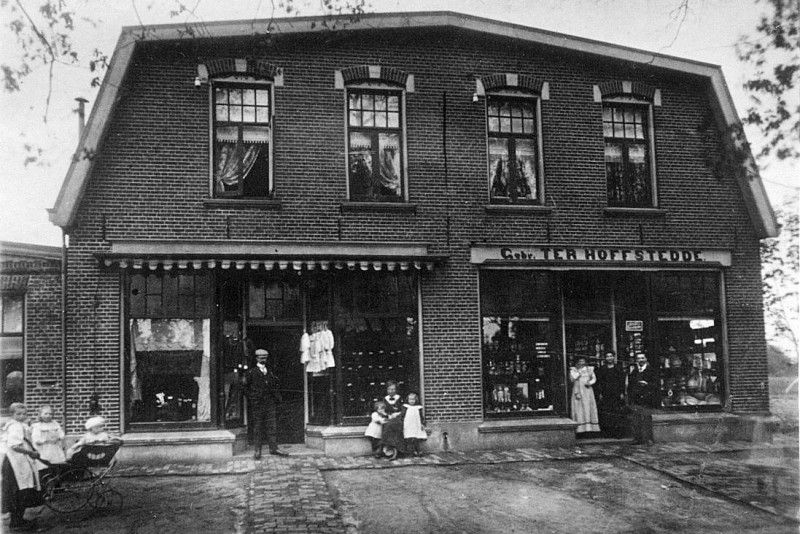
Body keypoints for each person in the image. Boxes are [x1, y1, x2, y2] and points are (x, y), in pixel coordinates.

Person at [1, 403, 44, 531]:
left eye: (24, 413)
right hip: (16, 462)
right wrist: (31, 453)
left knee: (21, 490)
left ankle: (18, 519)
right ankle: (16, 522)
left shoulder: (19, 425)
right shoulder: (15, 427)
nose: (22, 416)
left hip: (20, 461)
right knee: (18, 491)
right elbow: (15, 445)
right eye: (18, 414)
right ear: (12, 415)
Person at [245, 348, 288, 459]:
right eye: (261, 357)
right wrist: (253, 398)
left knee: (272, 426)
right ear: (256, 358)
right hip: (258, 404)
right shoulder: (251, 372)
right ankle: (257, 450)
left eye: (265, 358)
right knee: (258, 426)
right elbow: (245, 388)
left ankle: (273, 448)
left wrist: (276, 398)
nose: (263, 359)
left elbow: (276, 385)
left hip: (270, 403)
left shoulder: (270, 371)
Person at [595, 351, 627, 437]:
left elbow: (622, 381)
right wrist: (600, 393)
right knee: (607, 412)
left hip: (616, 392)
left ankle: (618, 433)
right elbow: (600, 382)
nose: (609, 358)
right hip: (606, 393)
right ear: (605, 358)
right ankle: (608, 432)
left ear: (614, 357)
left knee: (617, 412)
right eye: (607, 356)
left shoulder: (618, 368)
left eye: (611, 356)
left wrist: (622, 392)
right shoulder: (602, 369)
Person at [31, 405, 66, 482]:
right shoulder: (37, 426)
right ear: (40, 414)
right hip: (44, 449)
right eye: (45, 414)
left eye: (50, 414)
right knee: (44, 467)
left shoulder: (55, 424)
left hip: (55, 449)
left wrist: (58, 437)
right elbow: (36, 439)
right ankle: (44, 487)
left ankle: (57, 486)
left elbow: (61, 434)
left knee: (56, 467)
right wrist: (46, 440)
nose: (48, 416)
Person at [569, 357, 600, 434]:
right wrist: (580, 371)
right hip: (578, 390)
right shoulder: (573, 370)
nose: (582, 363)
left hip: (587, 390)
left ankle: (589, 428)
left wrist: (590, 382)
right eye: (580, 362)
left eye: (583, 362)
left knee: (588, 407)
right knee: (579, 409)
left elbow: (594, 378)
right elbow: (573, 379)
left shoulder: (589, 369)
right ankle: (579, 428)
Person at [402, 393, 426, 457]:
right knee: (408, 437)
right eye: (410, 399)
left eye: (413, 399)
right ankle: (411, 452)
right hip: (408, 424)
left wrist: (422, 423)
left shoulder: (418, 407)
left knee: (416, 438)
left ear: (416, 400)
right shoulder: (406, 407)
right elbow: (402, 415)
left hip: (416, 424)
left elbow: (421, 416)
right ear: (408, 400)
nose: (411, 401)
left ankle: (418, 450)